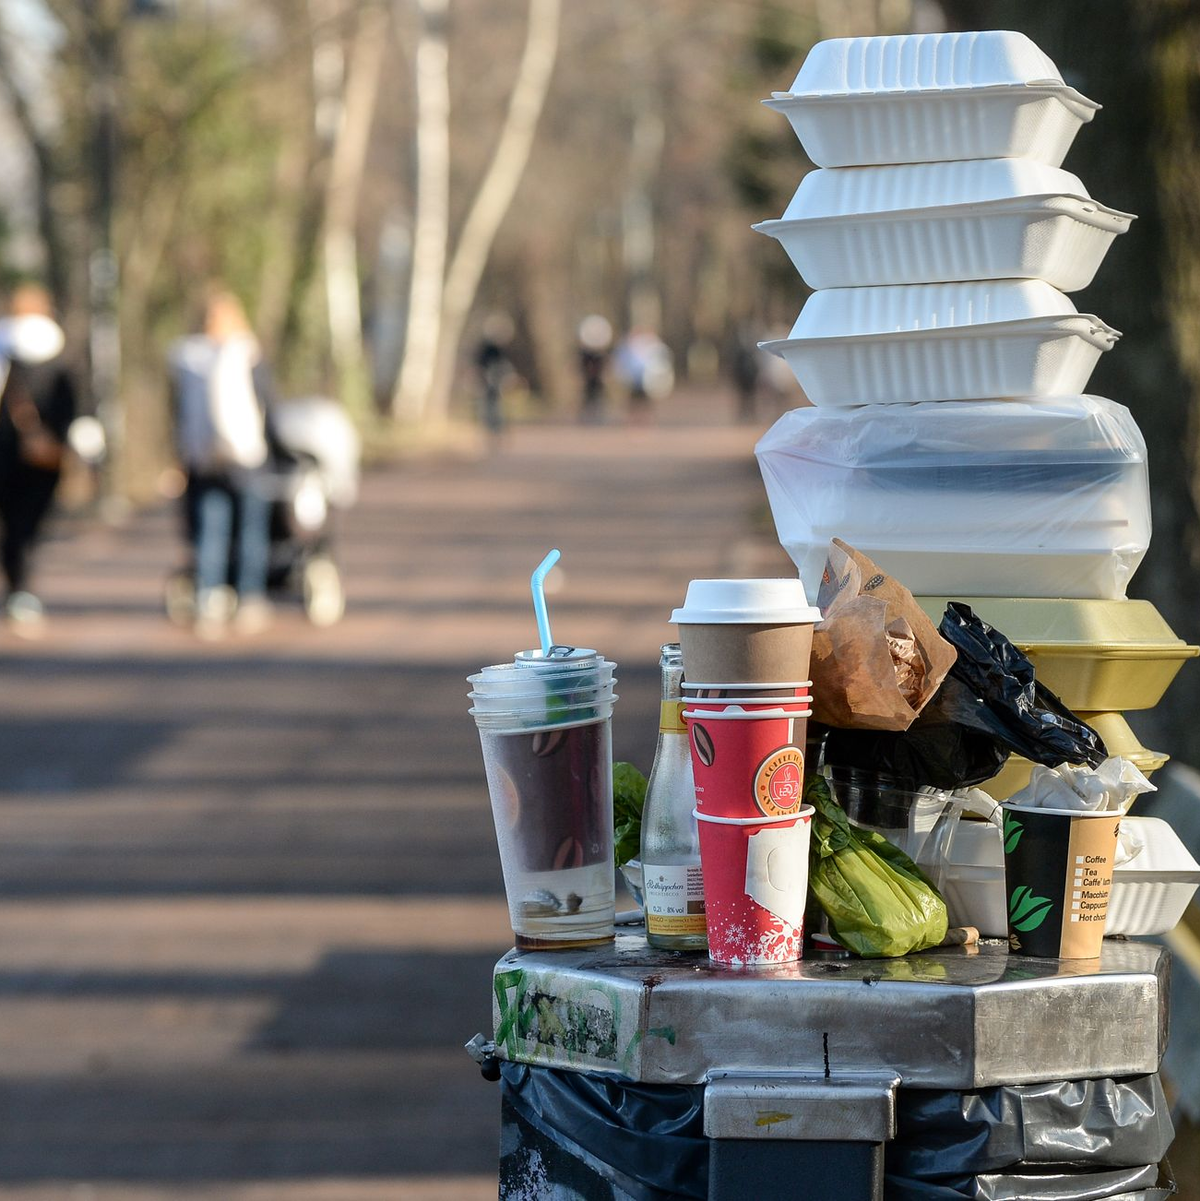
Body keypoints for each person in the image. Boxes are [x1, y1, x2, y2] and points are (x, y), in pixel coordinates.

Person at [168, 288, 276, 639]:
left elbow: (176, 413)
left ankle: (210, 599)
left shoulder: (185, 359)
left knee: (210, 534)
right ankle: (249, 599)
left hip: (202, 459)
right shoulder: (249, 354)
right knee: (251, 532)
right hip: (247, 458)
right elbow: (268, 406)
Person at [0, 284, 77, 637]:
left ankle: (19, 587)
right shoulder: (60, 353)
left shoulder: (7, 350)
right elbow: (73, 403)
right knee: (24, 526)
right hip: (44, 457)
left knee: (16, 525)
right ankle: (21, 588)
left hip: (13, 454)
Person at [577, 314, 612, 424]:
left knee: (598, 395)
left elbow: (604, 366)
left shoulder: (600, 356)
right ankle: (587, 416)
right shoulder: (585, 355)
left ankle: (599, 415)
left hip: (597, 381)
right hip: (589, 381)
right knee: (588, 396)